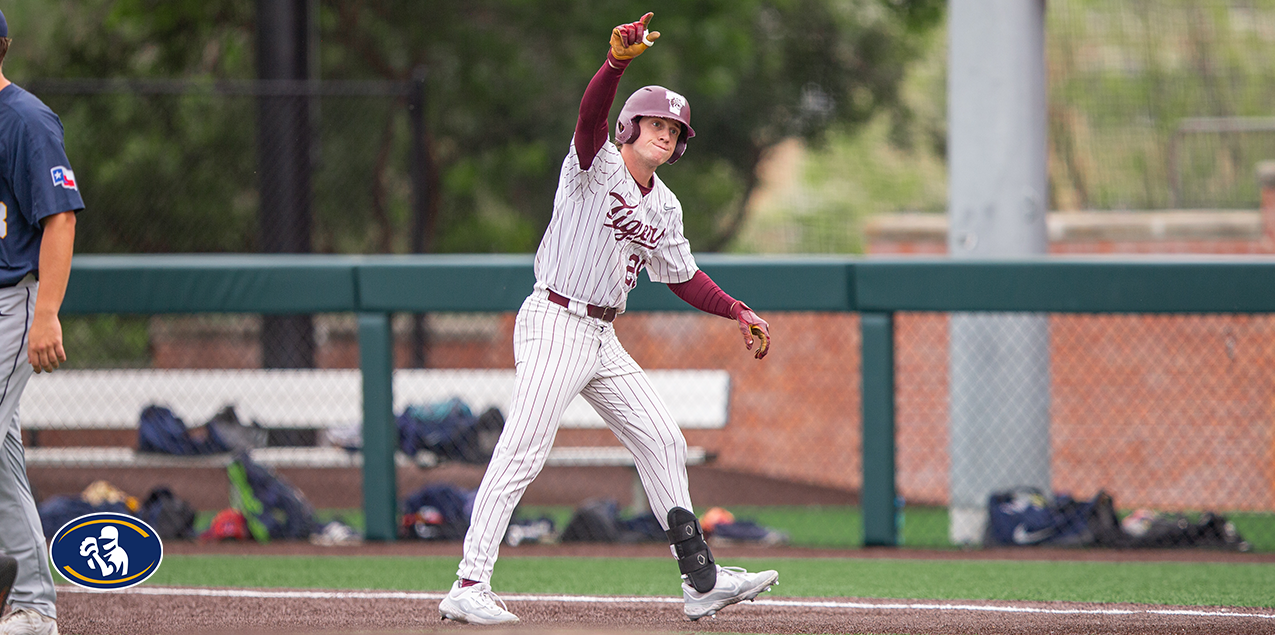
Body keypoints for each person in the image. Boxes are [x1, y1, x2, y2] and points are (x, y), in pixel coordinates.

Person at [438, 12, 776, 625]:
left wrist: (736, 310)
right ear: (629, 126)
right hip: (554, 317)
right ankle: (469, 582)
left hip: (600, 335)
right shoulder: (594, 166)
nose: (666, 135)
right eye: (655, 123)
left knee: (664, 440)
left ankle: (701, 580)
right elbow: (589, 119)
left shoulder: (665, 205)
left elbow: (683, 278)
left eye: (675, 130)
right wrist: (616, 63)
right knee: (524, 448)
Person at [0, 8, 83, 635]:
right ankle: (32, 599)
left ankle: (34, 602)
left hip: (12, 299)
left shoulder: (27, 119)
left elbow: (60, 217)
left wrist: (47, 310)